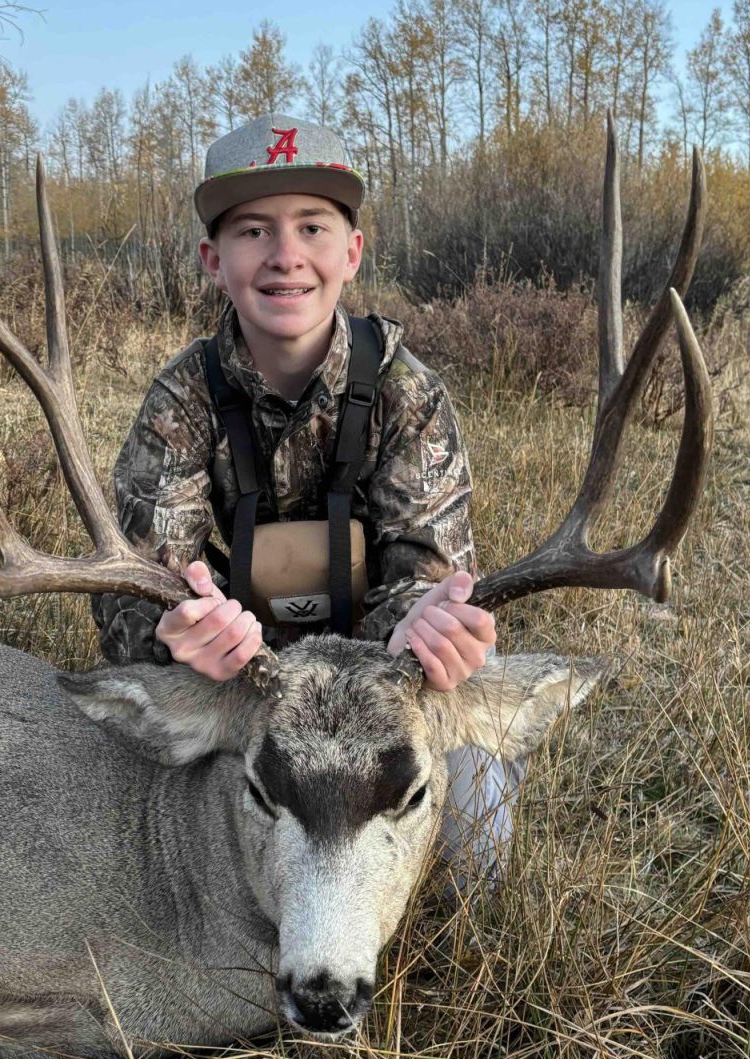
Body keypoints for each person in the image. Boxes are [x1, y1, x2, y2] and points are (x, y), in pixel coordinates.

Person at [93, 114, 521, 884]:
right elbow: (129, 599)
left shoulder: (407, 394)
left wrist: (431, 625)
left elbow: (429, 571)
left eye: (313, 227)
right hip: (246, 692)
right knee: (141, 803)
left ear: (351, 252)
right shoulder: (179, 403)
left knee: (478, 817)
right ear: (212, 260)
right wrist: (179, 630)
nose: (286, 256)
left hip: (382, 692)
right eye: (253, 231)